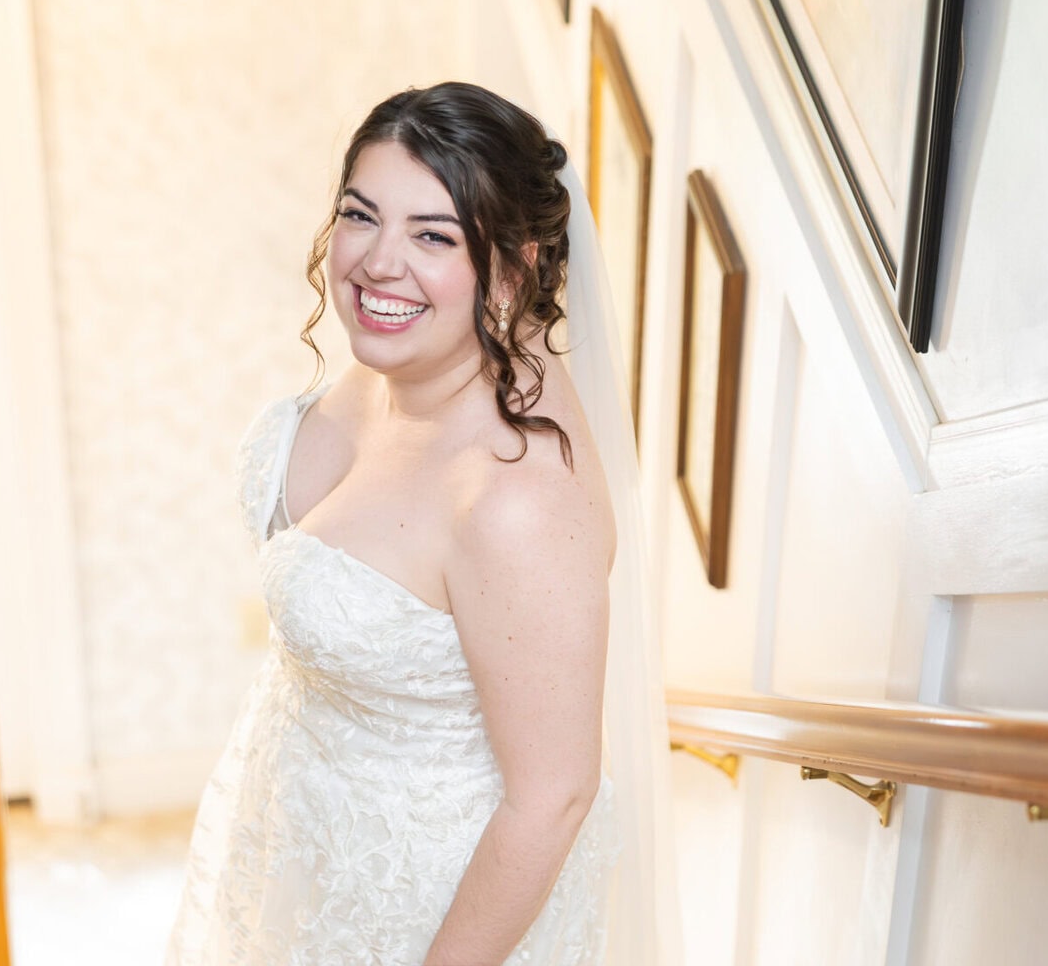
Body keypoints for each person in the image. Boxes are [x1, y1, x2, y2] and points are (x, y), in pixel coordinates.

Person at [165, 82, 672, 966]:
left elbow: (552, 796)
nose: (376, 263)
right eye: (361, 217)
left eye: (433, 236)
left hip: (424, 904)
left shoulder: (516, 500)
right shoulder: (402, 365)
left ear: (513, 270)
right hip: (305, 834)